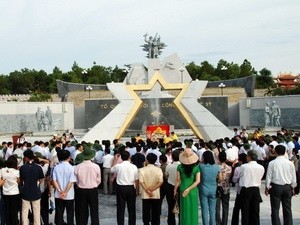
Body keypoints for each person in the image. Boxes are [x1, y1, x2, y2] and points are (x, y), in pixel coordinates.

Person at [265, 145, 297, 225]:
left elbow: (268, 176)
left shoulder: (272, 163)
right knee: (287, 208)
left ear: (275, 152)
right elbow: (293, 176)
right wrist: (293, 187)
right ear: (285, 152)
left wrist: (267, 187)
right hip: (287, 187)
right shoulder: (290, 163)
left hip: (276, 187)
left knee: (275, 209)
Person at [111, 150, 139, 225]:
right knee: (132, 208)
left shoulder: (118, 166)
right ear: (129, 157)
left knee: (120, 208)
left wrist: (115, 159)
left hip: (120, 187)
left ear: (121, 158)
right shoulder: (133, 166)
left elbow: (111, 170)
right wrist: (137, 190)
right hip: (131, 187)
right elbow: (136, 179)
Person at [174, 145, 200, 225]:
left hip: (183, 188)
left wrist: (175, 190)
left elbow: (178, 180)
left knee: (184, 209)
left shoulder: (179, 167)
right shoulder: (196, 168)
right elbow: (198, 181)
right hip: (193, 190)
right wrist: (189, 189)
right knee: (193, 209)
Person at [75, 148, 101, 225]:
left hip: (81, 190)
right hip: (93, 190)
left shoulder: (78, 166)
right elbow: (98, 179)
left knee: (82, 210)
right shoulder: (96, 166)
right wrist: (94, 184)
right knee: (94, 210)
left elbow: (76, 180)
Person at [238, 150, 264, 225]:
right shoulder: (261, 167)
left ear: (249, 157)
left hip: (246, 189)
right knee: (255, 211)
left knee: (245, 211)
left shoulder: (243, 167)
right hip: (256, 189)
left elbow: (240, 176)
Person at [20, 149, 45, 225]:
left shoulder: (22, 167)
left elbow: (21, 179)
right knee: (36, 211)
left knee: (24, 211)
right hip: (36, 192)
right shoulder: (38, 167)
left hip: (25, 192)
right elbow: (41, 179)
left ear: (26, 158)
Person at [52, 149, 76, 225]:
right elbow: (71, 181)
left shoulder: (56, 167)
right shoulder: (71, 168)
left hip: (58, 195)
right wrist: (65, 192)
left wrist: (59, 191)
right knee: (70, 213)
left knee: (59, 213)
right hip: (69, 195)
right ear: (69, 157)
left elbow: (54, 180)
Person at [139, 153, 163, 225]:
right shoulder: (158, 170)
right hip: (155, 193)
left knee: (146, 210)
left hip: (145, 193)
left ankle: (146, 223)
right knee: (155, 210)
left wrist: (147, 190)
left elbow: (141, 181)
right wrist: (152, 189)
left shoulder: (142, 170)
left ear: (147, 160)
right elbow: (160, 182)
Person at [198, 151, 219, 225]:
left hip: (203, 189)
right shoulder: (217, 167)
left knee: (204, 210)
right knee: (212, 210)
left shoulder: (201, 166)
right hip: (213, 189)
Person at [0, 155, 20, 225]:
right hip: (15, 193)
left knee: (7, 211)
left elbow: (1, 180)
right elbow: (18, 181)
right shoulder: (16, 172)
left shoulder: (2, 170)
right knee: (14, 212)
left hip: (5, 193)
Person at [165, 150, 181, 225]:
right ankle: (181, 222)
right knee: (181, 206)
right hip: (180, 187)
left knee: (170, 206)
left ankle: (171, 222)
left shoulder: (169, 166)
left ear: (172, 157)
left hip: (170, 187)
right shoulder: (182, 166)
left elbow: (166, 175)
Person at [231, 153, 247, 225]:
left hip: (240, 190)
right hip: (249, 190)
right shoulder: (249, 167)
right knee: (246, 209)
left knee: (237, 208)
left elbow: (234, 180)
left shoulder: (238, 168)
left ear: (240, 160)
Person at [216, 151, 232, 225]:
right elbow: (227, 178)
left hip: (217, 188)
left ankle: (218, 222)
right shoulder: (229, 168)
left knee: (217, 206)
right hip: (226, 188)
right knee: (225, 207)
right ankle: (224, 222)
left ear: (219, 158)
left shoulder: (216, 167)